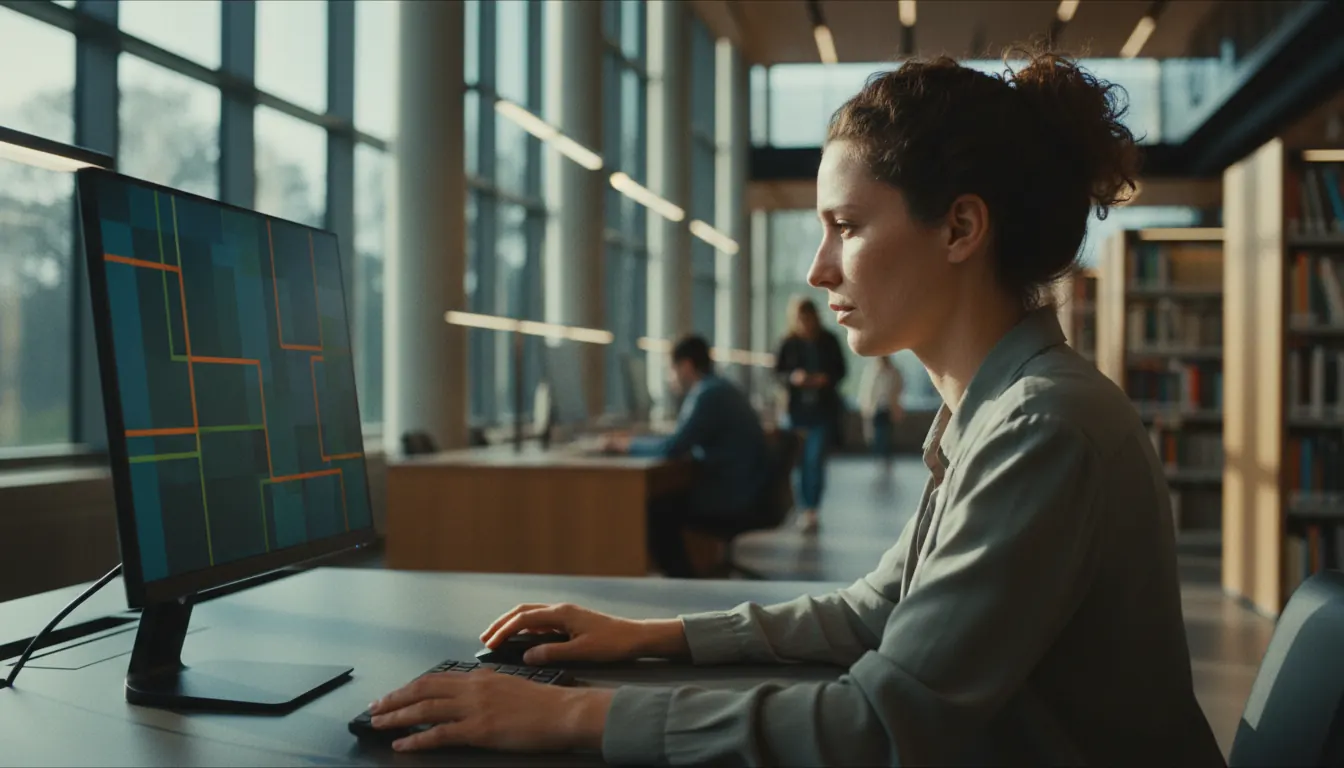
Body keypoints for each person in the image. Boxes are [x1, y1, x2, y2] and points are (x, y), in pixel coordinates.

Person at [366, 49, 1226, 766]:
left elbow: (881, 726)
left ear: (962, 229)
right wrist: (641, 636)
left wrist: (566, 717)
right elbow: (870, 615)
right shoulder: (994, 411)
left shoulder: (1043, 425)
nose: (818, 271)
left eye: (845, 227)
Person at [601, 335, 768, 578]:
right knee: (666, 500)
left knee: (657, 511)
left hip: (732, 496)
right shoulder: (720, 388)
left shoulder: (707, 394)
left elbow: (672, 448)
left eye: (671, 369)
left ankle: (684, 581)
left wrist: (626, 445)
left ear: (686, 366)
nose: (670, 378)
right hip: (745, 488)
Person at [774, 296, 846, 532]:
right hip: (795, 413)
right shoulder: (787, 343)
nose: (804, 323)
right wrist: (794, 378)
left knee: (814, 461)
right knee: (797, 463)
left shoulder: (829, 341)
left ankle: (811, 509)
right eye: (800, 319)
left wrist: (824, 379)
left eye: (808, 318)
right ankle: (802, 507)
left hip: (821, 412)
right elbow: (778, 374)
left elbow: (840, 371)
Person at [858, 355, 904, 476]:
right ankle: (879, 455)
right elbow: (866, 390)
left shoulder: (894, 371)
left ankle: (885, 455)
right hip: (875, 408)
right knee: (877, 433)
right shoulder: (871, 371)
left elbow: (899, 388)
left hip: (888, 407)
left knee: (886, 433)